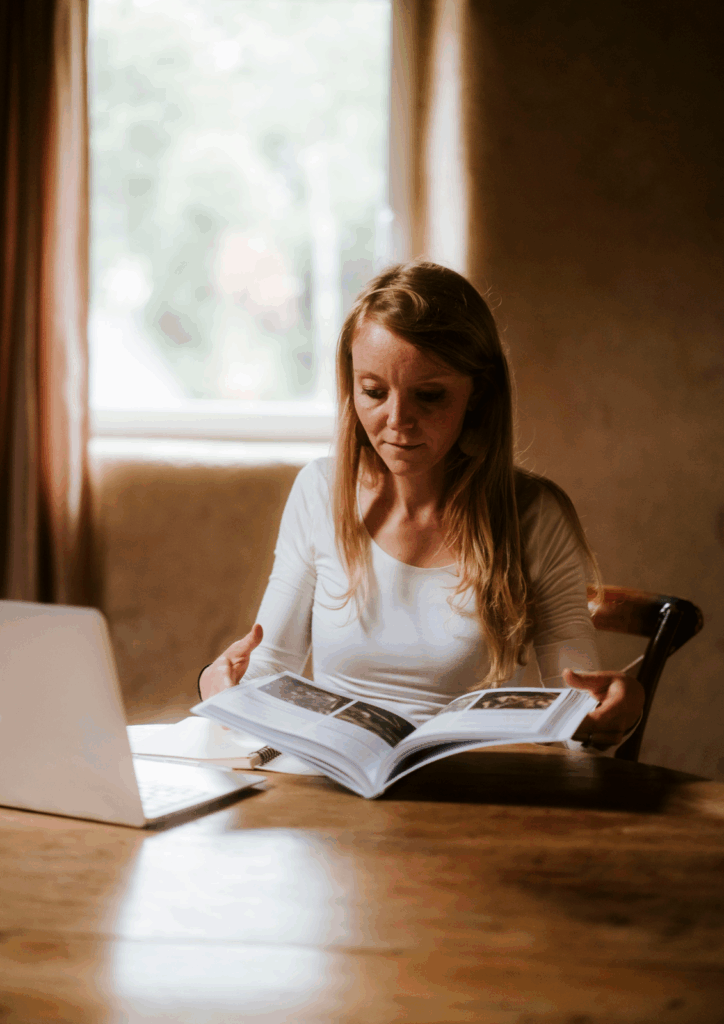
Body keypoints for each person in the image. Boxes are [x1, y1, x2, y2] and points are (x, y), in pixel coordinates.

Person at [199, 261, 644, 751]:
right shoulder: (319, 492)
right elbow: (268, 667)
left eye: (429, 396)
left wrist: (612, 708)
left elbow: (574, 699)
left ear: (478, 394)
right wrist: (217, 685)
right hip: (335, 782)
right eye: (373, 391)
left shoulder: (533, 516)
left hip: (471, 792)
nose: (397, 420)